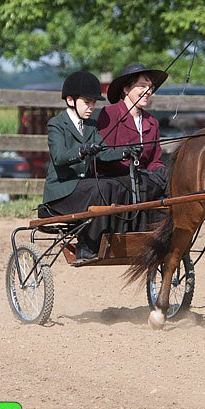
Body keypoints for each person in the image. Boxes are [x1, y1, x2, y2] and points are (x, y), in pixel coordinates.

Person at [38, 70, 131, 262]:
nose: (91, 108)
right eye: (87, 103)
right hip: (62, 190)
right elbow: (59, 157)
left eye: (94, 103)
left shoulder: (91, 126)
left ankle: (113, 239)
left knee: (117, 184)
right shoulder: (56, 124)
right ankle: (86, 245)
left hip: (82, 188)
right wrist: (82, 150)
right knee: (101, 187)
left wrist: (124, 152)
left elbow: (104, 152)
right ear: (70, 100)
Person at [97, 63, 169, 204]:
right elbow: (104, 157)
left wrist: (163, 173)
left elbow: (155, 161)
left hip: (144, 182)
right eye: (142, 86)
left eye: (150, 87)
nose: (148, 91)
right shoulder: (111, 113)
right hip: (115, 183)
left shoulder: (152, 122)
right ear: (126, 88)